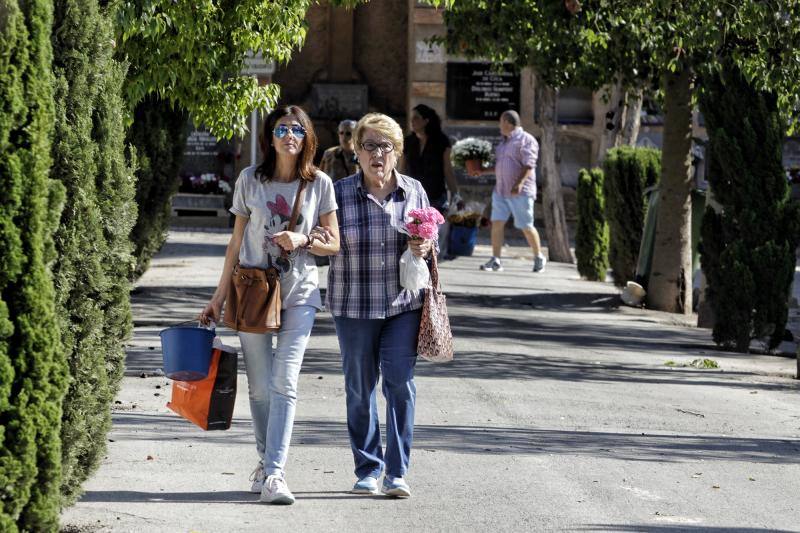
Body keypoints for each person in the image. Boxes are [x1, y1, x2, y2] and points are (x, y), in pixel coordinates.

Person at [199, 105, 340, 505]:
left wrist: (304, 240)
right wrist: (217, 297)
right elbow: (235, 243)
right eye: (282, 129)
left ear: (307, 137)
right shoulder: (250, 180)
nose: (289, 135)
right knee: (261, 389)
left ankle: (275, 474)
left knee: (285, 382)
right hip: (252, 291)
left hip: (299, 293)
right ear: (270, 136)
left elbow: (335, 242)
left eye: (297, 129)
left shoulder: (320, 184)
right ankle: (264, 463)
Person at [327, 113, 434, 499]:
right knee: (360, 388)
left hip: (402, 305)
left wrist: (424, 245)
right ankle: (368, 468)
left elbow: (430, 239)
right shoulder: (337, 193)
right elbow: (324, 242)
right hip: (353, 305)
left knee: (400, 384)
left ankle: (397, 472)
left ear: (397, 153)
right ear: (355, 151)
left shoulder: (414, 191)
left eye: (385, 147)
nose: (377, 154)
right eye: (369, 146)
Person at [470, 109, 546, 273]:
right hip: (501, 190)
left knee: (526, 226)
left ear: (508, 123)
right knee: (497, 223)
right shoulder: (504, 143)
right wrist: (482, 171)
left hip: (521, 192)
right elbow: (500, 167)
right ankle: (496, 260)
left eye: (501, 122)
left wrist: (519, 183)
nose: (499, 125)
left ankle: (539, 257)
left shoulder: (526, 140)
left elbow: (529, 164)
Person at [401, 105, 461, 257]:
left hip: (435, 195)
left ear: (426, 120)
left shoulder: (441, 141)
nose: (412, 121)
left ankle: (431, 266)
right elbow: (401, 169)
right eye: (411, 118)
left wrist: (456, 194)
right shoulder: (408, 141)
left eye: (416, 118)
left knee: (431, 236)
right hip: (411, 196)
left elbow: (448, 170)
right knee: (413, 235)